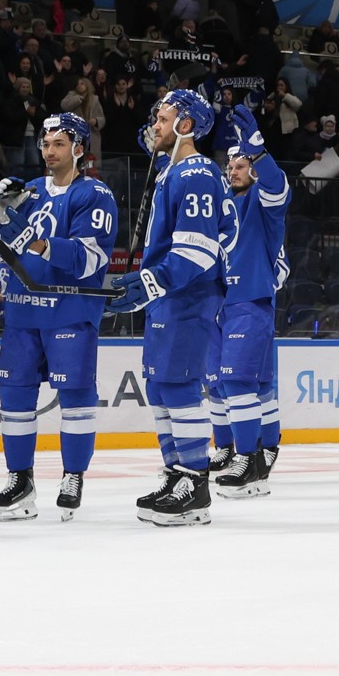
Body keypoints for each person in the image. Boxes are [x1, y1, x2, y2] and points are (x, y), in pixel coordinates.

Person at [0, 112, 119, 520]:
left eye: (59, 143)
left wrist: (35, 242)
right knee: (14, 396)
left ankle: (73, 475)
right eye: (45, 143)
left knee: (75, 396)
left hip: (69, 311)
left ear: (79, 148)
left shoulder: (95, 194)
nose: (49, 150)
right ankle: (19, 481)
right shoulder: (30, 192)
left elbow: (90, 258)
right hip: (22, 310)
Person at [106, 89, 234, 526]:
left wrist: (150, 281)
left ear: (185, 125)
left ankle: (195, 484)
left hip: (190, 293)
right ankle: (176, 471)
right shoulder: (174, 171)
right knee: (160, 387)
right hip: (170, 293)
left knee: (178, 387)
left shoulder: (196, 173)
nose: (154, 126)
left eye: (163, 119)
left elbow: (197, 251)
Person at [205, 99, 292, 495]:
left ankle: (251, 456)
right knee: (220, 383)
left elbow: (278, 187)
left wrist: (258, 149)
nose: (233, 170)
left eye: (241, 165)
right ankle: (234, 450)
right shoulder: (222, 207)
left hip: (249, 303)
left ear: (253, 169)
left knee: (242, 381)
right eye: (231, 166)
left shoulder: (262, 203)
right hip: (218, 307)